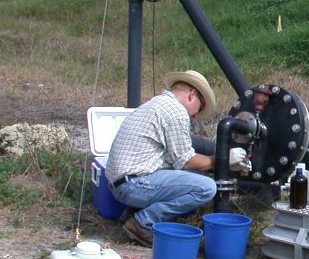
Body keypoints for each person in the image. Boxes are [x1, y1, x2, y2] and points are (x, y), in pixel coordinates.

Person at [105, 70, 247, 247]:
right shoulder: (175, 111)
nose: (195, 116)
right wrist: (224, 159)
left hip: (121, 182)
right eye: (199, 108)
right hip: (133, 184)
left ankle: (133, 211)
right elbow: (186, 162)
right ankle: (141, 222)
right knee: (205, 188)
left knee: (196, 179)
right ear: (192, 94)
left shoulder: (157, 104)